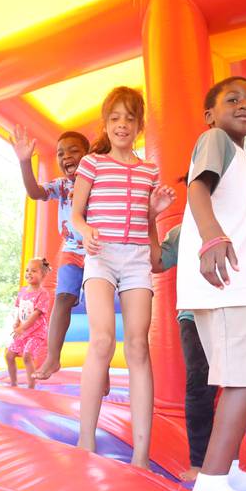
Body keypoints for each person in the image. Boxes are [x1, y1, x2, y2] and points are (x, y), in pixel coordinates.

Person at [177, 76, 246, 491]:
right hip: (224, 283)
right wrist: (211, 237)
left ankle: (229, 470)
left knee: (243, 375)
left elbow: (232, 206)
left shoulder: (244, 158)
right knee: (245, 378)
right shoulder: (215, 139)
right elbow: (197, 188)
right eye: (233, 99)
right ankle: (212, 481)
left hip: (236, 284)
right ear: (210, 114)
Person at [71, 86, 175, 469]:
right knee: (101, 340)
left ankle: (141, 455)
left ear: (140, 125)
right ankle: (86, 441)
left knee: (137, 346)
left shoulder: (149, 170)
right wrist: (86, 232)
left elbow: (149, 239)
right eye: (115, 118)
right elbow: (76, 214)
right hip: (101, 256)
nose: (122, 125)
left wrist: (155, 212)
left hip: (134, 260)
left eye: (130, 118)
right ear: (105, 122)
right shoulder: (92, 164)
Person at [151, 222, 246, 486]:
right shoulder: (182, 231)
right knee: (200, 385)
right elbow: (158, 262)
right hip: (194, 312)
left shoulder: (242, 221)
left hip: (235, 307)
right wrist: (151, 218)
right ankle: (199, 462)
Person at [9, 127, 90, 381]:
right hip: (70, 251)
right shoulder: (61, 185)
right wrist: (24, 162)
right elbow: (35, 192)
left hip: (97, 251)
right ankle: (53, 357)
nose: (66, 156)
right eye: (60, 153)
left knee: (100, 309)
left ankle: (103, 367)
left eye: (74, 151)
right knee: (63, 298)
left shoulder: (96, 182)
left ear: (88, 156)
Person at [6, 258, 52, 389]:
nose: (29, 273)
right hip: (22, 331)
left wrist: (22, 328)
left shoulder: (43, 294)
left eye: (33, 271)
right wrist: (16, 323)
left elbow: (35, 314)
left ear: (42, 275)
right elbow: (19, 309)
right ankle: (13, 383)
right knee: (9, 355)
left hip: (36, 333)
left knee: (27, 356)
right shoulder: (22, 291)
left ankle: (31, 386)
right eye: (27, 270)